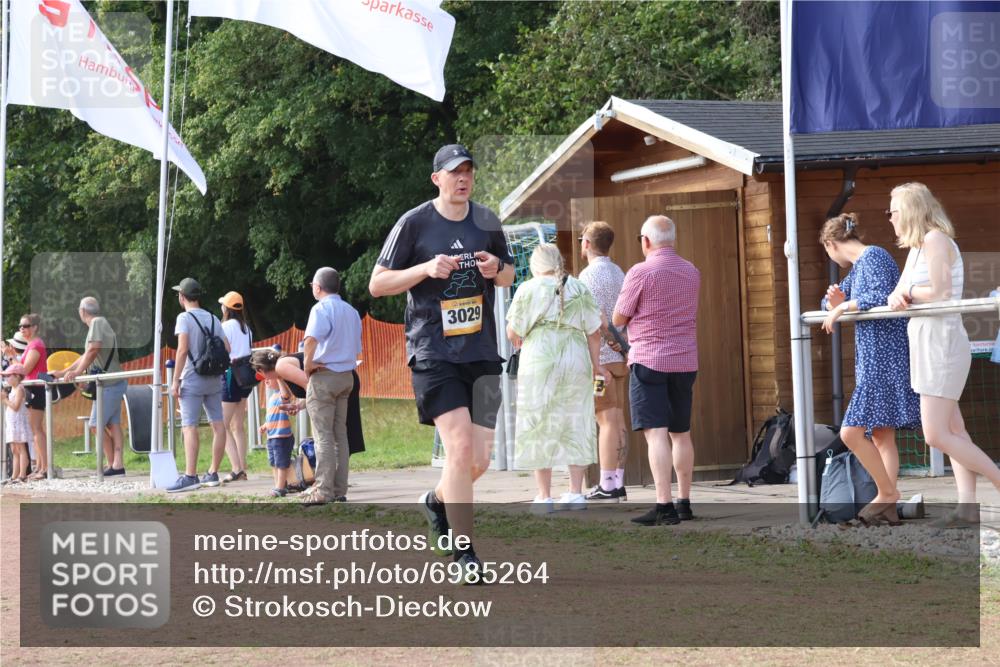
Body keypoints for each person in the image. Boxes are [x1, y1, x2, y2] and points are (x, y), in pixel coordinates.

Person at [369, 143, 514, 580]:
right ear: (437, 178)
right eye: (454, 172)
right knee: (460, 447)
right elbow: (378, 284)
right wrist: (426, 269)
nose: (462, 178)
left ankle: (436, 500)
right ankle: (465, 554)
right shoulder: (414, 223)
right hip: (434, 351)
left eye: (468, 170)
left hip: (482, 351)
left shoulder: (486, 220)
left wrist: (496, 270)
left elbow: (510, 273)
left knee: (480, 460)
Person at [887, 182, 1000, 526]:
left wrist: (906, 292)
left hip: (943, 342)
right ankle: (967, 508)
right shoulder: (916, 248)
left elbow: (939, 291)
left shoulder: (936, 240)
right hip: (925, 341)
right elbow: (900, 289)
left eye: (891, 211)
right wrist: (900, 294)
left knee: (935, 434)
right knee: (955, 428)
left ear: (908, 211)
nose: (889, 218)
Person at [819, 213, 921, 524]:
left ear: (831, 244)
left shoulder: (874, 256)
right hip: (873, 356)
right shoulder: (860, 266)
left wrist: (841, 306)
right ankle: (887, 505)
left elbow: (880, 298)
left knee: (851, 432)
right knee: (880, 435)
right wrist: (835, 301)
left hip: (884, 357)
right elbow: (836, 299)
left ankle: (887, 494)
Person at [613, 215, 700, 526]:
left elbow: (619, 317)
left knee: (656, 434)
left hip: (649, 359)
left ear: (646, 241)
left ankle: (663, 505)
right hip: (686, 360)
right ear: (672, 239)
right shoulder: (691, 271)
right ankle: (684, 502)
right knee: (682, 433)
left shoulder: (640, 272)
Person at [506, 243, 602, 511]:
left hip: (538, 358)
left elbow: (513, 333)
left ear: (536, 264)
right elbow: (594, 331)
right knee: (576, 419)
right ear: (559, 261)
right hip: (575, 357)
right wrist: (597, 366)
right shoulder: (578, 287)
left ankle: (544, 495)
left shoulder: (527, 289)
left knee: (538, 422)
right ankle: (575, 492)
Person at [298, 267, 362, 506]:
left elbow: (311, 339)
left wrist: (307, 365)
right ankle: (339, 489)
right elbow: (356, 348)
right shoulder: (351, 311)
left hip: (324, 376)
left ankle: (322, 489)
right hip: (347, 376)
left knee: (322, 435)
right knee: (340, 436)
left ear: (317, 287)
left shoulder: (321, 309)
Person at [578, 221, 630, 502]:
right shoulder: (619, 272)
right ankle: (617, 481)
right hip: (620, 357)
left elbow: (589, 321)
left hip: (599, 362)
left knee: (605, 420)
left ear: (586, 243)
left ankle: (607, 485)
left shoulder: (586, 278)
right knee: (618, 418)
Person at [165, 278, 230, 493]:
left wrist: (176, 381)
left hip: (192, 379)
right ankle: (212, 473)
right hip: (214, 379)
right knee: (218, 424)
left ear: (182, 297)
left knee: (189, 425)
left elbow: (182, 349)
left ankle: (190, 476)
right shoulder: (213, 318)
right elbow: (227, 347)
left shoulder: (184, 318)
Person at [52, 297, 128, 476]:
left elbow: (93, 350)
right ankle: (116, 464)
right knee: (112, 423)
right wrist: (65, 372)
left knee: (95, 424)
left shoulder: (97, 323)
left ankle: (114, 465)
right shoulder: (101, 323)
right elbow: (86, 354)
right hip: (112, 383)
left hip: (108, 385)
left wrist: (76, 372)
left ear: (82, 311)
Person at [218, 291, 253, 483]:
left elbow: (224, 351)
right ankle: (243, 468)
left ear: (227, 308)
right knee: (237, 425)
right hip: (245, 376)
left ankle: (236, 468)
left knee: (222, 425)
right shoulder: (247, 328)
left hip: (230, 375)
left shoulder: (225, 327)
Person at [15, 315, 48, 480]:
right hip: (32, 388)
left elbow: (25, 369)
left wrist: (11, 356)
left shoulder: (36, 345)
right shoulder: (31, 345)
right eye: (20, 326)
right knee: (35, 429)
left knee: (36, 429)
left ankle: (44, 468)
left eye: (25, 326)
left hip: (36, 388)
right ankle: (40, 467)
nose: (22, 329)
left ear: (34, 327)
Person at [259, 377, 295, 498]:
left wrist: (279, 377)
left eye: (270, 378)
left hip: (282, 436)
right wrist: (265, 425)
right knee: (274, 462)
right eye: (265, 379)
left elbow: (286, 394)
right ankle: (278, 485)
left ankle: (280, 487)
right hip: (272, 436)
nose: (266, 381)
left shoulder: (282, 394)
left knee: (281, 463)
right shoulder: (272, 397)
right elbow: (271, 416)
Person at [2, 364, 33, 482]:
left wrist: (4, 399)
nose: (6, 379)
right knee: (14, 449)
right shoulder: (12, 389)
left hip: (18, 422)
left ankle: (22, 474)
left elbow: (15, 406)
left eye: (8, 376)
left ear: (16, 376)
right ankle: (14, 475)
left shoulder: (20, 388)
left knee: (21, 448)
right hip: (12, 423)